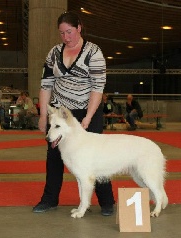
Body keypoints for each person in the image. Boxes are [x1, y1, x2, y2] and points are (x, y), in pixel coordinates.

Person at [33, 11, 115, 216]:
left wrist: (88, 117)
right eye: (62, 33)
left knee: (95, 158)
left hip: (87, 111)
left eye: (69, 32)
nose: (66, 37)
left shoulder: (94, 52)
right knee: (54, 156)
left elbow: (98, 87)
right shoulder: (54, 53)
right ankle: (49, 199)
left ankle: (106, 202)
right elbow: (46, 85)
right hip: (60, 113)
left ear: (79, 27)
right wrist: (44, 115)